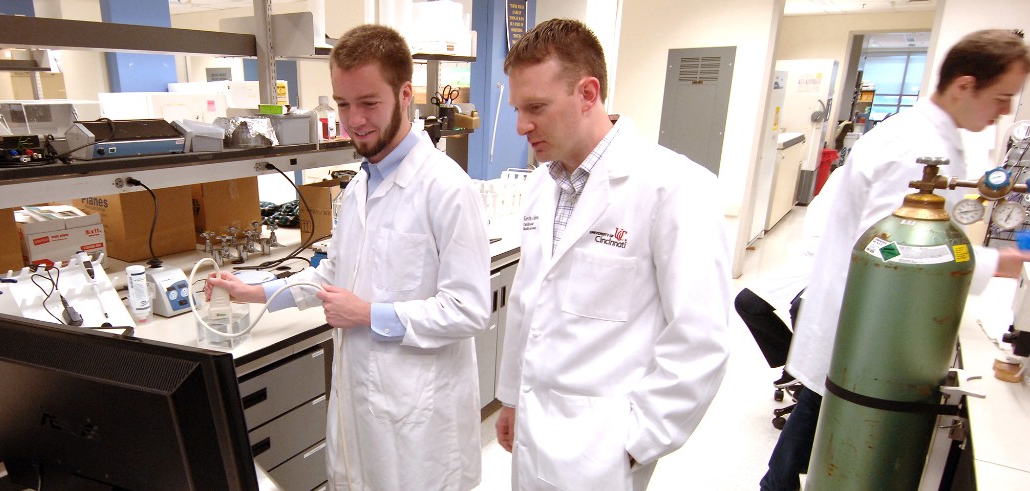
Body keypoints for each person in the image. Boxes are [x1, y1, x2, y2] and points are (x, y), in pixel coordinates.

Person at [206, 24, 490, 491]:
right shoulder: (360, 187)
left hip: (420, 424)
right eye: (342, 103)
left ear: (404, 95)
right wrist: (253, 291)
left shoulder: (446, 189)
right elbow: (334, 276)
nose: (353, 119)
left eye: (368, 103)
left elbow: (469, 308)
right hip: (363, 410)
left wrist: (368, 314)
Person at [763, 29, 1030, 491]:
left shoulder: (927, 135)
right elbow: (890, 249)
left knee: (802, 446)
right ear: (965, 85)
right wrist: (993, 264)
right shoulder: (916, 149)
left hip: (863, 330)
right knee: (810, 452)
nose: (1005, 111)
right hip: (863, 333)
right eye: (1002, 97)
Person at [494, 18, 731, 490]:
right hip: (534, 425)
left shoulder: (676, 188)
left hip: (603, 447)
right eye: (519, 108)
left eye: (536, 107)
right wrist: (510, 396)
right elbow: (527, 302)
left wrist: (635, 442)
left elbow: (701, 338)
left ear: (587, 93)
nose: (522, 126)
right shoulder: (544, 184)